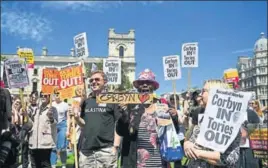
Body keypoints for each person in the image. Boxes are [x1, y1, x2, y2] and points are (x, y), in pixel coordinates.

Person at [116, 69, 169, 168]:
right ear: (138, 88)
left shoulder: (161, 106)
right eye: (141, 83)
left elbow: (170, 132)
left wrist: (173, 117)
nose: (145, 85)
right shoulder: (131, 106)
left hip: (158, 161)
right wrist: (123, 115)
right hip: (136, 161)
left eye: (148, 82)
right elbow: (121, 131)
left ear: (153, 87)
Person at [69, 70, 121, 168]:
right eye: (91, 80)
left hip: (106, 150)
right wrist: (76, 118)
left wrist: (115, 146)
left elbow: (118, 124)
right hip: (87, 151)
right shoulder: (86, 102)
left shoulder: (112, 100)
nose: (93, 82)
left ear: (105, 82)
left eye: (97, 79)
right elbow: (83, 124)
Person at [184, 80, 241, 168]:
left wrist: (198, 153)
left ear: (215, 94)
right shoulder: (203, 117)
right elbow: (189, 138)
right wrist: (187, 144)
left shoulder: (230, 122)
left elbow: (228, 158)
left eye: (204, 91)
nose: (200, 95)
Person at [24, 92, 58, 168]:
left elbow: (55, 124)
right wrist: (26, 116)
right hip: (33, 142)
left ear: (49, 97)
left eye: (45, 95)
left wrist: (51, 118)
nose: (43, 97)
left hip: (45, 143)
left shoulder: (53, 109)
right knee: (34, 165)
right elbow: (31, 124)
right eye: (41, 95)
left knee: (45, 165)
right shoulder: (36, 109)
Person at [166, 94, 188, 168]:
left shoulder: (182, 110)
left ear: (178, 100)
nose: (173, 100)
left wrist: (179, 114)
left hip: (182, 136)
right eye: (171, 99)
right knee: (177, 158)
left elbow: (184, 123)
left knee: (185, 155)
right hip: (173, 138)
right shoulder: (167, 110)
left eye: (175, 99)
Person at [51, 91, 69, 168]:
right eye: (55, 94)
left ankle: (63, 164)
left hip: (62, 125)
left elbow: (68, 118)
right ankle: (53, 165)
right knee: (53, 146)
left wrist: (67, 129)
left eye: (58, 94)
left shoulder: (65, 105)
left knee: (62, 147)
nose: (56, 95)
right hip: (53, 126)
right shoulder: (51, 104)